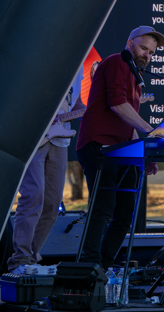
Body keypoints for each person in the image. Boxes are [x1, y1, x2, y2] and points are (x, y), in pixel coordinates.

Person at [76, 26, 164, 268]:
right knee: (103, 206)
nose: (147, 55)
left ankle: (105, 265)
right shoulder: (117, 61)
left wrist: (144, 152)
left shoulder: (136, 76)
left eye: (151, 52)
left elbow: (128, 121)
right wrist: (152, 132)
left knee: (125, 212)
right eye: (143, 48)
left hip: (122, 150)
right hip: (99, 145)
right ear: (129, 43)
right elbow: (117, 104)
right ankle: (89, 264)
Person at [8, 73, 85, 274]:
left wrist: (87, 111)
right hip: (35, 135)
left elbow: (75, 103)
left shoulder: (79, 67)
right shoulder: (52, 58)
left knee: (52, 204)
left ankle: (31, 260)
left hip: (61, 140)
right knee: (33, 195)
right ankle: (19, 260)